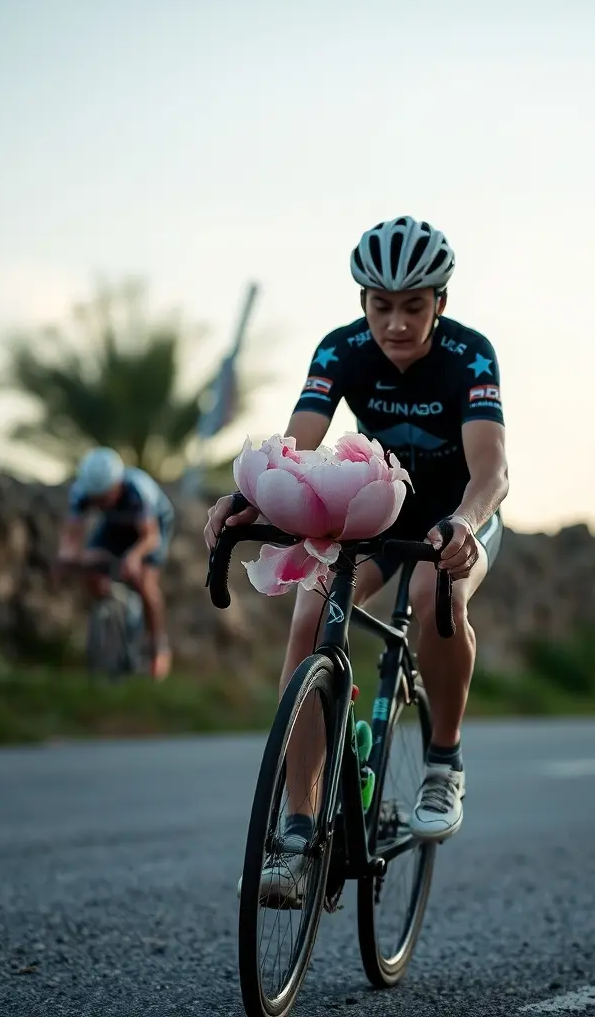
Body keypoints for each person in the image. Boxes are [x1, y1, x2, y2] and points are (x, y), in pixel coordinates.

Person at [205, 215, 509, 901]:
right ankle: (297, 831)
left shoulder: (470, 355)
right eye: (381, 306)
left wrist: (465, 521)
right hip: (382, 505)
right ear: (363, 302)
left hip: (459, 512)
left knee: (435, 594)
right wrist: (248, 498)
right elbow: (296, 445)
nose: (396, 323)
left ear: (440, 302)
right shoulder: (340, 350)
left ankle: (443, 762)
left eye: (413, 306)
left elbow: (491, 468)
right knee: (309, 615)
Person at [58, 446, 176, 680]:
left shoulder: (137, 490)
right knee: (90, 566)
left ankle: (158, 647)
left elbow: (150, 538)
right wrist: (67, 557)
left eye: (106, 497)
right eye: (97, 499)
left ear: (118, 484)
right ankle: (113, 611)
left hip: (150, 530)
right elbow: (72, 535)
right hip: (114, 525)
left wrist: (133, 557)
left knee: (146, 585)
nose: (101, 503)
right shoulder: (82, 491)